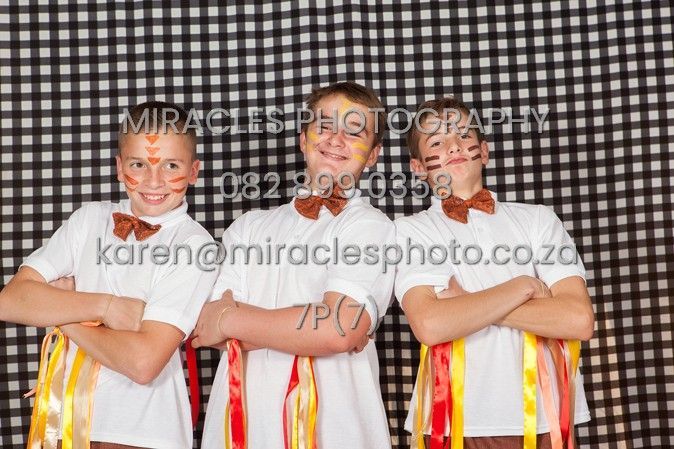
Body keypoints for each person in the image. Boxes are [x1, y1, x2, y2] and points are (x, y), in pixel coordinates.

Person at [0, 101, 219, 449]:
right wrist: (105, 307)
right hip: (63, 422)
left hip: (140, 431)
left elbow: (143, 362)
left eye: (171, 166)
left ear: (193, 172)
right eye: (138, 164)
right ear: (119, 167)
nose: (154, 181)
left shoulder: (194, 245)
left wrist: (64, 316)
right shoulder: (88, 220)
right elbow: (10, 301)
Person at [193, 81, 395, 449]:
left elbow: (337, 330)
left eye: (354, 132)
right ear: (304, 138)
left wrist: (231, 319)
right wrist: (310, 326)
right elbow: (206, 327)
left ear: (373, 155)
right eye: (325, 126)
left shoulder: (371, 226)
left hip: (337, 435)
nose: (336, 140)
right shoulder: (248, 227)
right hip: (242, 433)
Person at [395, 96, 594, 449]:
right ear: (418, 167)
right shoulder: (410, 231)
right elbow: (431, 324)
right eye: (436, 142)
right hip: (454, 420)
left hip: (546, 418)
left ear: (484, 151)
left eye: (462, 135)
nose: (453, 146)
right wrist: (524, 286)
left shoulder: (538, 220)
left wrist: (467, 304)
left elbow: (577, 320)